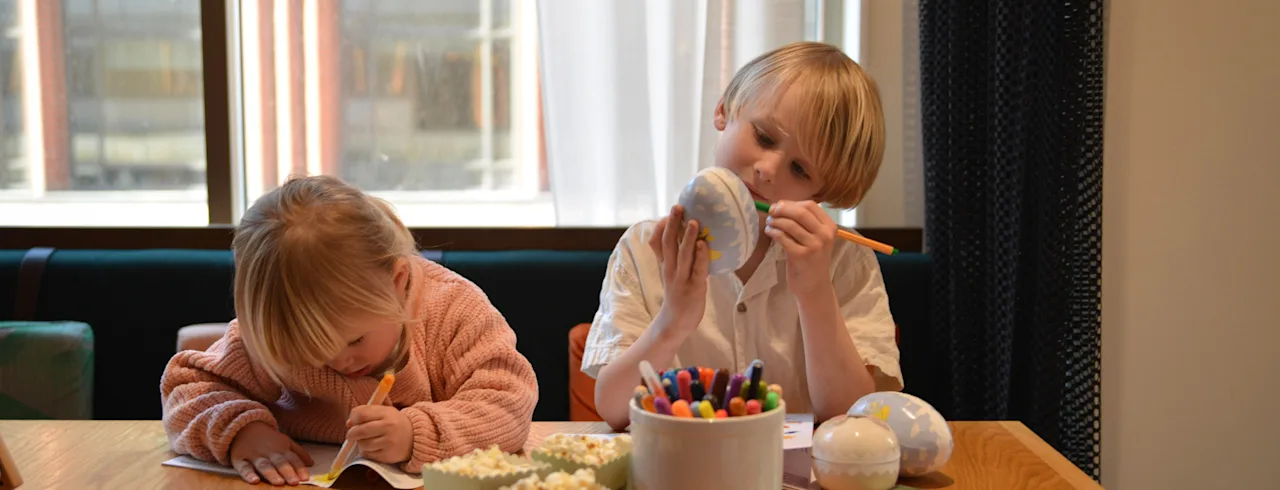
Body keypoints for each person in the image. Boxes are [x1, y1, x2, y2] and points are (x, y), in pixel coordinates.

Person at [584, 42, 902, 430]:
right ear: (725, 110)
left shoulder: (843, 259)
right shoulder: (645, 248)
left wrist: (815, 291)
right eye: (765, 138)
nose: (768, 170)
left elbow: (851, 417)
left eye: (800, 171)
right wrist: (674, 320)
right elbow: (615, 409)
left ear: (819, 194)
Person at [160, 175, 538, 485]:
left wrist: (415, 434)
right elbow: (187, 391)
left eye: (354, 339)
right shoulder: (278, 329)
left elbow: (508, 404)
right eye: (304, 351)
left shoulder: (453, 311)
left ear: (398, 281)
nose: (337, 360)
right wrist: (241, 432)